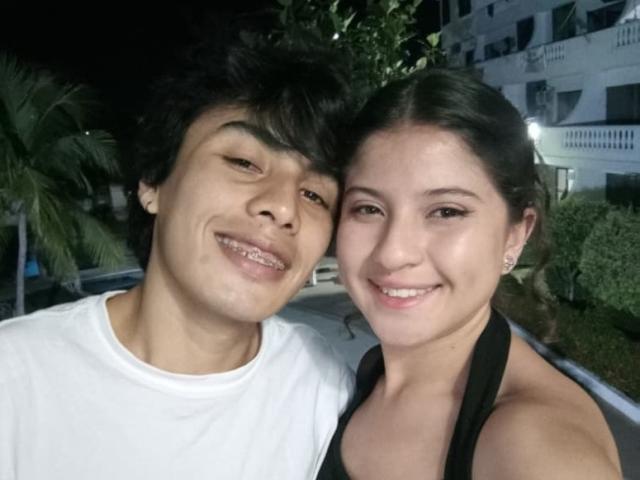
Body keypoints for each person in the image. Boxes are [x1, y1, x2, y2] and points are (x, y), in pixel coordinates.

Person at [0, 39, 355, 480]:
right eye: (244, 162)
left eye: (315, 194)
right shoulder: (15, 379)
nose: (284, 207)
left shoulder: (325, 390)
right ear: (153, 183)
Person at [318, 68, 622, 479]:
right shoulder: (370, 375)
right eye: (368, 208)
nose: (393, 253)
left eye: (446, 211)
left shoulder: (534, 444)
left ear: (515, 235)